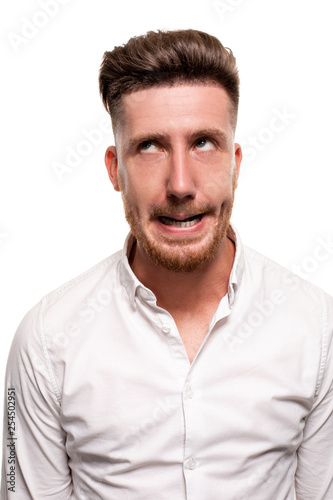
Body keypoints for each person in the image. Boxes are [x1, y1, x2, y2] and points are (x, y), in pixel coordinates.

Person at [1, 29, 332, 500]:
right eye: (151, 146)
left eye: (203, 143)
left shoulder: (318, 329)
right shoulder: (45, 339)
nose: (180, 185)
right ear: (115, 169)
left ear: (235, 164)